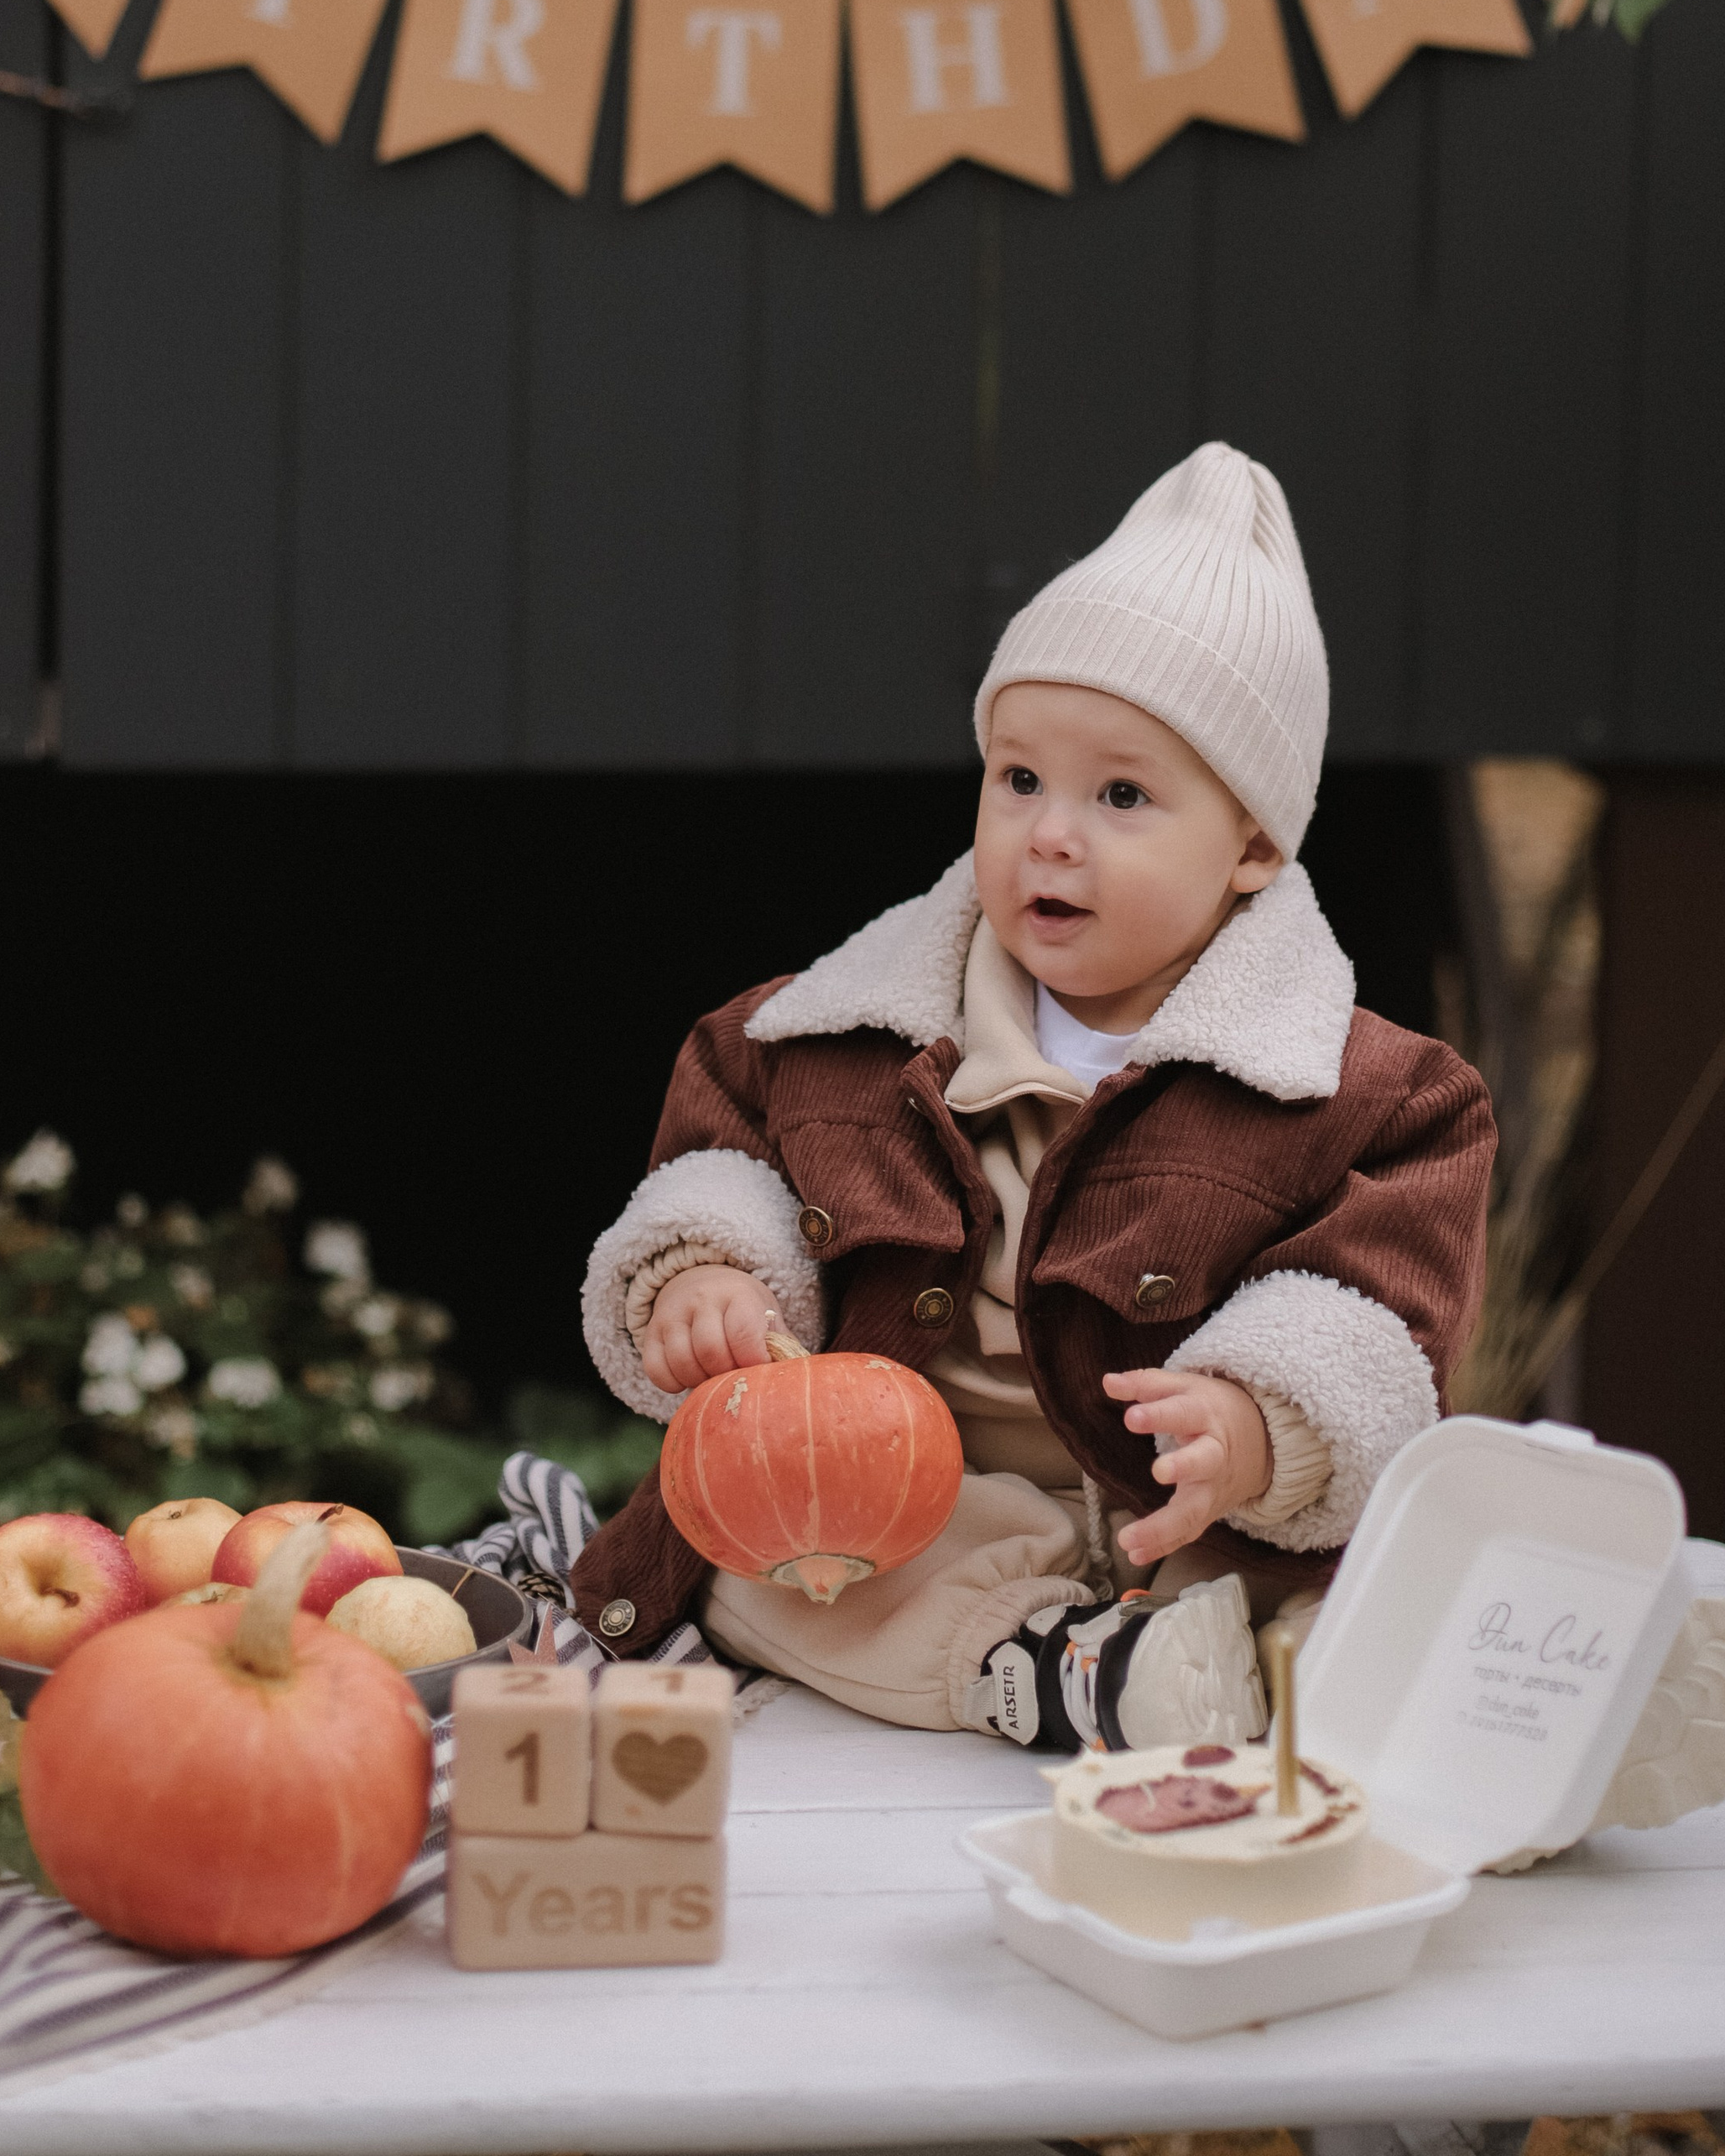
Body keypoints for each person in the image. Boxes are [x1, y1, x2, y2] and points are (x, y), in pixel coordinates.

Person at [570, 442, 1498, 1752]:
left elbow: (1367, 1310)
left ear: (1253, 847)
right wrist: (710, 1276)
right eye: (1019, 779)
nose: (1050, 833)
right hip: (916, 1510)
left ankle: (1495, 1702)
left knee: (1327, 1580)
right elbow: (727, 1155)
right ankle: (1035, 1666)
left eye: (1121, 794)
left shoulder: (1368, 1094)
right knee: (768, 1575)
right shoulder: (832, 1034)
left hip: (1181, 1515)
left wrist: (1257, 1423)